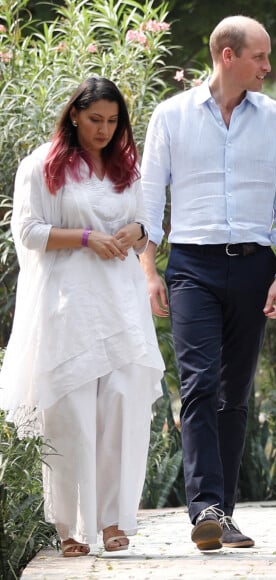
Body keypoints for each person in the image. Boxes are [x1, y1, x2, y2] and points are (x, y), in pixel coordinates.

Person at [139, 15, 276, 551]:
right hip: (192, 267)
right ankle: (204, 506)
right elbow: (149, 199)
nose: (268, 66)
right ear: (227, 56)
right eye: (260, 56)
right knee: (200, 384)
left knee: (235, 394)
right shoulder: (171, 116)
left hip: (256, 266)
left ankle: (223, 514)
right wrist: (149, 269)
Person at [0, 77, 164, 557]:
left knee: (121, 405)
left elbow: (144, 225)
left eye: (113, 122)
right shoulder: (42, 166)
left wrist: (134, 230)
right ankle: (70, 527)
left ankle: (113, 519)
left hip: (120, 304)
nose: (104, 130)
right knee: (69, 415)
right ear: (74, 114)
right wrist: (89, 238)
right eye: (96, 120)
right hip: (67, 306)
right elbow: (28, 231)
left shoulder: (124, 168)